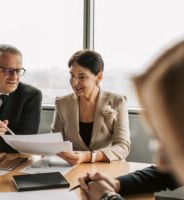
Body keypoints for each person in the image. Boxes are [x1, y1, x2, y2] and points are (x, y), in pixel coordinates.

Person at [77, 39, 184, 200]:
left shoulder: (117, 101)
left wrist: (106, 197)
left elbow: (123, 145)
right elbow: (165, 174)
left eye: (171, 147)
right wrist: (115, 183)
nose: (161, 162)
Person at [51, 50, 130, 165]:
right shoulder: (61, 103)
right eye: (72, 76)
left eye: (82, 77)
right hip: (72, 168)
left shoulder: (117, 102)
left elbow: (123, 146)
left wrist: (89, 156)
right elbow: (55, 142)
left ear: (99, 77)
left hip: (107, 168)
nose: (74, 82)